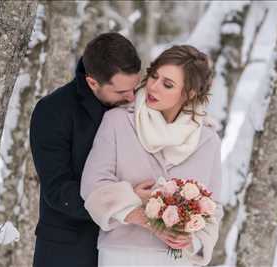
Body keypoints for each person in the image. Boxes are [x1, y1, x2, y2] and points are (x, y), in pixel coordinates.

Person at [80, 45, 223, 267]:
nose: (153, 87)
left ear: (189, 93)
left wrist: (192, 241)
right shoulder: (117, 121)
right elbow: (93, 184)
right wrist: (144, 217)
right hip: (123, 255)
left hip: (178, 261)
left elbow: (214, 206)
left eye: (167, 84)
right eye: (154, 76)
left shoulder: (208, 140)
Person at [29, 32, 142, 267]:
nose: (132, 97)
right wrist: (122, 205)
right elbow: (58, 190)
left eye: (135, 87)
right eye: (122, 92)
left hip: (127, 246)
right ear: (93, 82)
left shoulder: (138, 104)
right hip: (69, 249)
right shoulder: (53, 111)